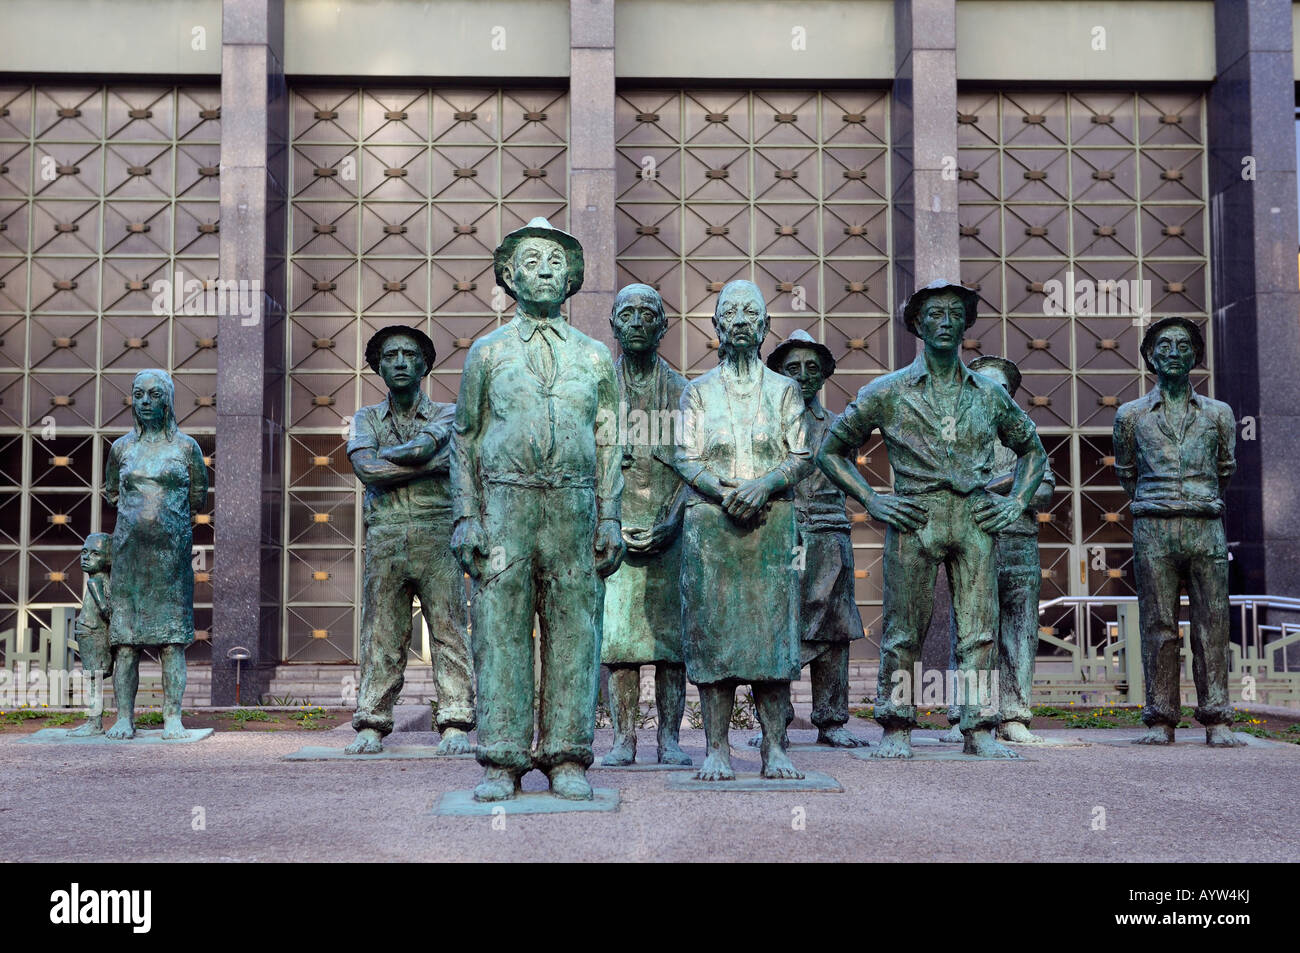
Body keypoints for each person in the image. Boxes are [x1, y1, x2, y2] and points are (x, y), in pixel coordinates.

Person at [818, 280, 1048, 759]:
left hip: (974, 517)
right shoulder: (888, 391)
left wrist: (1013, 503)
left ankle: (979, 728)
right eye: (935, 314)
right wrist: (872, 501)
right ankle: (897, 725)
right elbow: (831, 451)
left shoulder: (988, 394)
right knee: (903, 630)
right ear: (917, 325)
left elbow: (1032, 451)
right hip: (914, 515)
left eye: (954, 314)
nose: (945, 322)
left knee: (979, 630)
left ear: (967, 324)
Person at [451, 217, 625, 801]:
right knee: (500, 625)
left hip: (575, 503)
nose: (545, 271)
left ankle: (567, 755)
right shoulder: (488, 351)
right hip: (505, 501)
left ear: (573, 277)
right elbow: (466, 438)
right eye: (531, 262)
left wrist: (609, 518)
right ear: (508, 277)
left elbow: (609, 440)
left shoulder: (597, 356)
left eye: (556, 261)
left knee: (576, 627)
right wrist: (467, 516)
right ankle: (501, 757)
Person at [674, 279, 811, 781]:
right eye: (728, 311)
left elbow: (801, 455)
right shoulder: (697, 392)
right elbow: (683, 457)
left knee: (771, 640)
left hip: (771, 528)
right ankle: (717, 750)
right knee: (715, 641)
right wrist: (721, 489)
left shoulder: (784, 391)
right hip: (711, 531)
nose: (739, 319)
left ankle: (775, 748)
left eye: (750, 312)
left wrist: (763, 486)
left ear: (765, 326)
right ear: (714, 326)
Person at [345, 325, 476, 755]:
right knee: (382, 632)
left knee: (448, 629)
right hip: (385, 539)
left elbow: (397, 462)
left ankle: (455, 721)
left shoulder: (447, 413)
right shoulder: (365, 417)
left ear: (424, 364)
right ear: (378, 366)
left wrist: (395, 460)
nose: (400, 362)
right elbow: (368, 472)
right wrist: (430, 465)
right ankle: (372, 722)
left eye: (408, 355)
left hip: (437, 534)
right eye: (390, 356)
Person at [1113, 316, 1242, 747]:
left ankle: (1217, 717)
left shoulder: (1218, 413)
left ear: (1195, 356)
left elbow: (1225, 469)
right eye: (1164, 345)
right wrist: (1158, 500)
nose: (1173, 352)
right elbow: (1127, 472)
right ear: (1150, 355)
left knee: (1213, 623)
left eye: (1183, 345)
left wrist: (1197, 498)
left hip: (1206, 525)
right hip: (1153, 527)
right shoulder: (1130, 415)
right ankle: (1161, 717)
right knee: (1158, 624)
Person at [749, 328, 868, 749]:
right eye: (792, 368)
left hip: (829, 537)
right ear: (778, 375)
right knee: (776, 627)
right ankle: (773, 719)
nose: (802, 376)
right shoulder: (761, 427)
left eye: (812, 368)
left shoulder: (840, 427)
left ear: (824, 375)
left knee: (835, 630)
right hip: (782, 539)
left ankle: (832, 719)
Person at [939, 356, 1056, 745]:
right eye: (984, 387)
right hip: (974, 545)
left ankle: (1014, 716)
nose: (993, 395)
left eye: (1001, 389)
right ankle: (963, 715)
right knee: (970, 632)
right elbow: (951, 488)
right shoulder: (957, 435)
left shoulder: (1027, 437)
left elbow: (1043, 488)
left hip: (1020, 545)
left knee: (1020, 633)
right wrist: (1009, 483)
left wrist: (1000, 487)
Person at [600, 284, 692, 767]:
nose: (637, 321)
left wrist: (671, 523)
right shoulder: (598, 389)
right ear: (613, 325)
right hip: (613, 533)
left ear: (663, 326)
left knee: (669, 644)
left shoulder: (683, 392)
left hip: (670, 533)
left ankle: (670, 740)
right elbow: (588, 463)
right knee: (620, 645)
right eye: (627, 313)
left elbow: (697, 466)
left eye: (648, 313)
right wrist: (608, 520)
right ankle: (623, 740)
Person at [104, 368, 208, 740]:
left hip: (171, 557)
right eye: (139, 394)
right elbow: (112, 493)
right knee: (126, 641)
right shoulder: (121, 449)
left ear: (169, 399)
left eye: (154, 394)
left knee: (171, 641)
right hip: (130, 555)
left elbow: (198, 496)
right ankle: (123, 718)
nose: (145, 402)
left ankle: (172, 717)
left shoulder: (186, 448)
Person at [69, 532, 112, 736]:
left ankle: (94, 723)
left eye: (95, 553)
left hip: (92, 632)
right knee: (93, 678)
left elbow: (105, 609)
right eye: (84, 552)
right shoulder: (101, 580)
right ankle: (93, 721)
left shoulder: (95, 582)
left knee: (93, 678)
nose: (86, 558)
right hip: (90, 631)